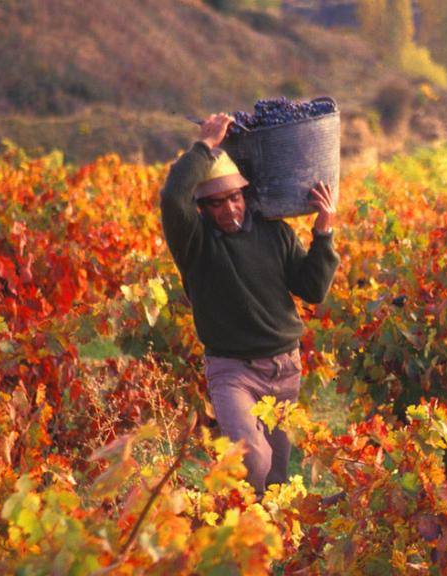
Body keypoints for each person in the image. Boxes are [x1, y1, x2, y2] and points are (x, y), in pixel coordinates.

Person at [160, 113, 340, 496]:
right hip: (233, 371)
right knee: (250, 459)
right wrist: (205, 145)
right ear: (202, 209)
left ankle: (269, 545)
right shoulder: (195, 245)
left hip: (285, 368)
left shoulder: (275, 232)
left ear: (246, 195)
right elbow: (172, 197)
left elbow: (312, 289)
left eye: (235, 198)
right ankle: (234, 530)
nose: (229, 210)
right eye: (216, 203)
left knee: (276, 474)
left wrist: (323, 233)